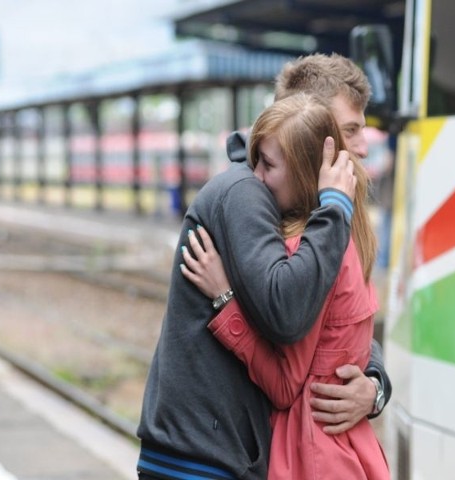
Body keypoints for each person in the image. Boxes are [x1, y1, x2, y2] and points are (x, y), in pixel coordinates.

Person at [136, 53, 390, 480]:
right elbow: (289, 315)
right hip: (204, 457)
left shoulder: (317, 221)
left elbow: (340, 322)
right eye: (350, 130)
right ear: (311, 132)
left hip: (239, 454)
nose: (363, 146)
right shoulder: (250, 195)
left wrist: (375, 386)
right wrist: (335, 209)